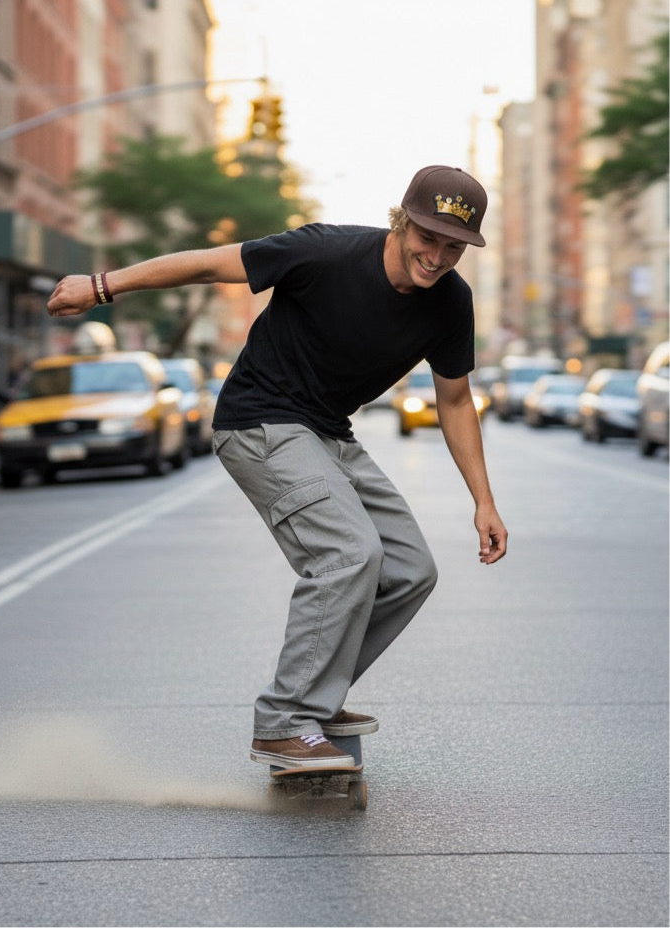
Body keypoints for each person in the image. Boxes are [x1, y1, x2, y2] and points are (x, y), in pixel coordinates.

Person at [47, 164, 508, 771]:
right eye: (428, 239)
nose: (438, 257)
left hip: (325, 432)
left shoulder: (451, 302)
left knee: (410, 570)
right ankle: (286, 720)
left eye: (454, 247)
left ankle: (315, 697)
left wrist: (484, 500)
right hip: (258, 421)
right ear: (400, 222)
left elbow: (453, 399)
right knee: (349, 554)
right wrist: (103, 286)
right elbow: (212, 263)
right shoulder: (325, 252)